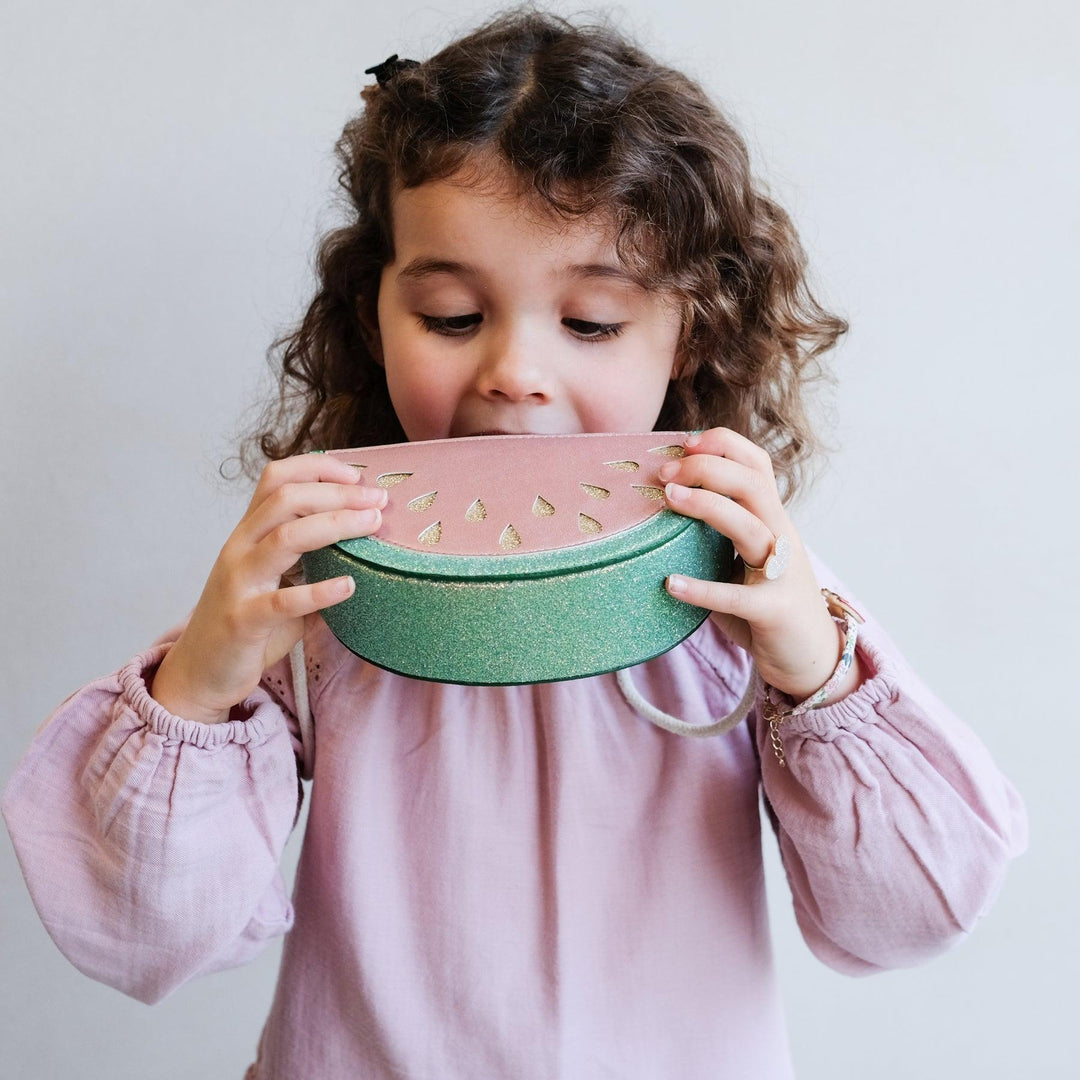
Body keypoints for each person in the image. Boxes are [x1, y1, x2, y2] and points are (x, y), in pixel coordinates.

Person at [1, 7, 1027, 1078]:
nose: (513, 373)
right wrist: (202, 686)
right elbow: (152, 938)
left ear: (695, 331)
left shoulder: (755, 600)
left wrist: (814, 677)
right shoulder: (314, 610)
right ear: (373, 318)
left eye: (589, 324)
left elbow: (912, 918)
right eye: (451, 315)